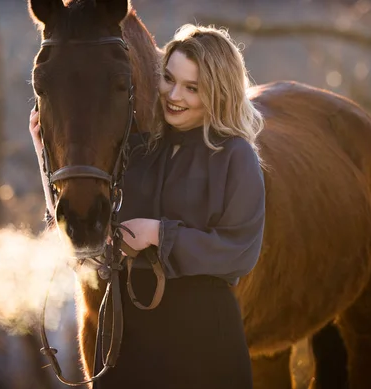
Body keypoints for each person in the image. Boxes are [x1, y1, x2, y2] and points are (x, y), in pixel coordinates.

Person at [30, 24, 265, 389]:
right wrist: (44, 149)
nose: (174, 95)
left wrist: (158, 234)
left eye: (192, 87)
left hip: (202, 341)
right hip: (130, 341)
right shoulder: (138, 151)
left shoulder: (235, 157)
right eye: (168, 79)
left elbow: (239, 253)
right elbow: (82, 241)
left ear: (218, 92)